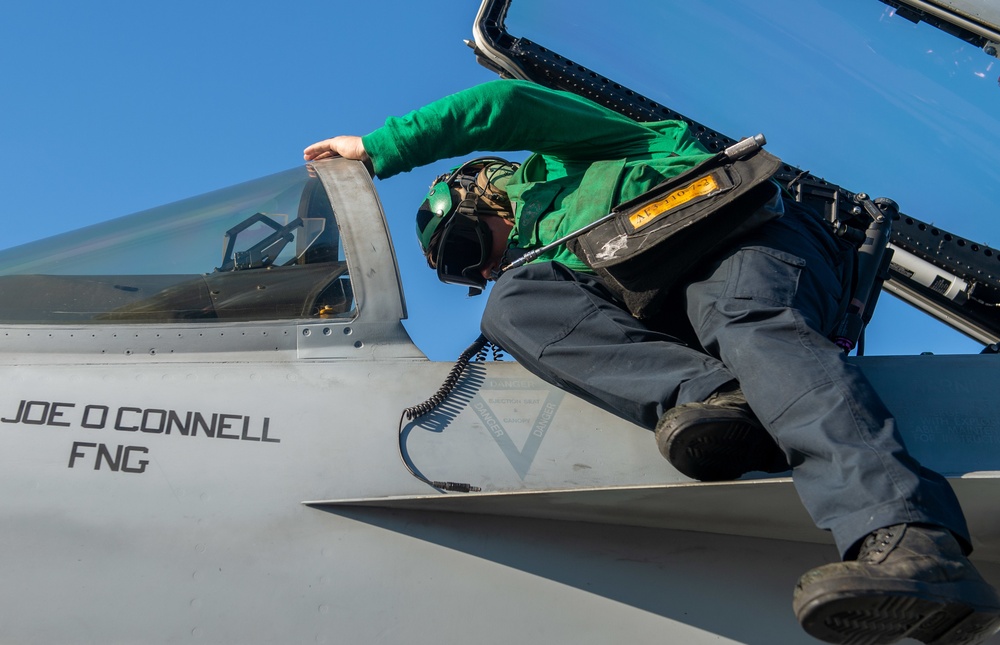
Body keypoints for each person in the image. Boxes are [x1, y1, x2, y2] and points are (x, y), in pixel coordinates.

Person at [304, 79, 1000, 645]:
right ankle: (720, 395)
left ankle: (912, 541)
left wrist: (376, 149)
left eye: (464, 248)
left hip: (743, 236)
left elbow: (503, 105)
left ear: (484, 193)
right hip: (654, 296)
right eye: (463, 272)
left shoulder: (571, 155)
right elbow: (533, 298)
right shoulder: (549, 264)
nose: (482, 268)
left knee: (749, 322)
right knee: (510, 307)